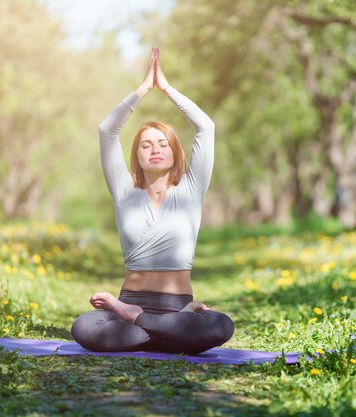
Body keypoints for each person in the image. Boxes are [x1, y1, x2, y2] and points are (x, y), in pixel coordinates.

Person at [70, 47, 234, 354]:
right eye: (146, 144)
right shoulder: (123, 191)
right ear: (137, 156)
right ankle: (167, 333)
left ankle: (142, 322)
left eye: (162, 143)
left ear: (174, 153)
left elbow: (206, 128)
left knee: (221, 324)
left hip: (173, 308)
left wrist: (168, 89)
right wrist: (143, 89)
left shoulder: (191, 190)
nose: (155, 149)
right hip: (132, 300)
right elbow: (107, 130)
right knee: (85, 327)